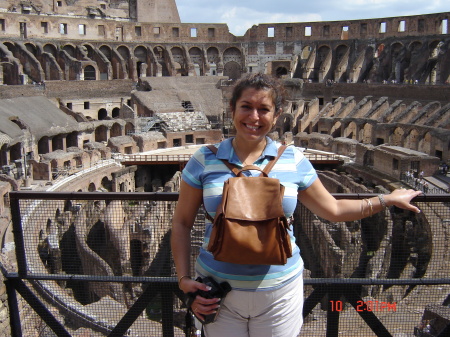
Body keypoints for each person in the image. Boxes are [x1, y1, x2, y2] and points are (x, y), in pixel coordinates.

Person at [171, 73, 422, 337]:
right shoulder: (202, 160)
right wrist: (184, 280)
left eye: (264, 109)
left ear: (276, 115)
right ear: (232, 109)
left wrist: (386, 199)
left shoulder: (294, 159)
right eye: (246, 106)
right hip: (217, 291)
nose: (254, 117)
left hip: (280, 292)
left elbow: (333, 211)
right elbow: (182, 223)